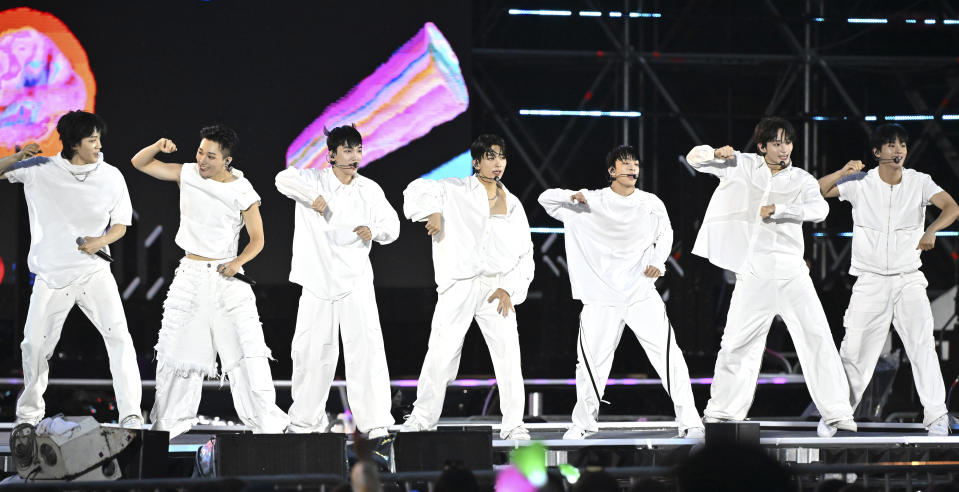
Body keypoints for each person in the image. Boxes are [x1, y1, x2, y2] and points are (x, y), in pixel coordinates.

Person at [686, 117, 856, 437]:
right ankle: (723, 412)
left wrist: (782, 209)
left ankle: (837, 413)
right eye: (776, 143)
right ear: (762, 146)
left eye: (787, 143)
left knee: (816, 338)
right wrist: (713, 152)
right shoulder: (742, 163)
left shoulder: (802, 179)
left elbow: (820, 210)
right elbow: (695, 159)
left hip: (792, 270)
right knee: (737, 342)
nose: (783, 149)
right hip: (754, 269)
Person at [131, 125, 288, 438]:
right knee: (177, 355)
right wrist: (157, 145)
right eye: (200, 151)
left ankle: (268, 428)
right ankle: (167, 430)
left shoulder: (243, 190)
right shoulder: (188, 173)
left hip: (227, 278)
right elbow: (140, 163)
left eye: (210, 156)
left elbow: (257, 239)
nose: (201, 159)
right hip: (190, 276)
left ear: (226, 160)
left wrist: (237, 263)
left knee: (246, 354)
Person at [537, 145, 704, 439]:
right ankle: (584, 423)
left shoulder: (650, 203)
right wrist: (570, 196)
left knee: (669, 356)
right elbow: (545, 199)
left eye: (635, 163)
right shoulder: (591, 201)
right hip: (600, 297)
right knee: (590, 362)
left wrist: (657, 262)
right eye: (625, 163)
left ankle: (690, 420)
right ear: (612, 171)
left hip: (640, 292)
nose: (632, 167)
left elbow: (665, 233)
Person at [2, 111, 142, 428]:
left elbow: (121, 224)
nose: (99, 145)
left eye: (99, 139)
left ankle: (130, 413)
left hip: (94, 273)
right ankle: (28, 416)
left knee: (120, 337)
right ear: (74, 143)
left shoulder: (111, 175)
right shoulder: (40, 169)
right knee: (33, 344)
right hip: (50, 276)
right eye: (92, 140)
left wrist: (101, 241)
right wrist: (16, 157)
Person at [818, 123, 959, 436]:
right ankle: (836, 414)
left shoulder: (919, 182)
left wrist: (932, 230)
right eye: (891, 146)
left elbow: (951, 206)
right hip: (870, 281)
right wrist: (842, 171)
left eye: (903, 146)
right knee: (855, 351)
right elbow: (818, 190)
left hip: (908, 278)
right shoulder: (860, 183)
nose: (898, 151)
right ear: (877, 152)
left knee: (922, 345)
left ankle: (936, 415)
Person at [400, 134, 534, 440]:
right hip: (459, 285)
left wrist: (509, 289)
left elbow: (526, 253)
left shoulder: (513, 204)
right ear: (476, 162)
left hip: (496, 287)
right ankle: (422, 418)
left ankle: (514, 424)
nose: (497, 163)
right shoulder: (454, 190)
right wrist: (432, 211)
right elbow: (415, 189)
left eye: (501, 157)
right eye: (490, 156)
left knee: (509, 356)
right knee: (440, 352)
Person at [275, 125, 398, 438]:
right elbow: (282, 179)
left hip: (356, 281)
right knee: (310, 353)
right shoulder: (313, 180)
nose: (354, 156)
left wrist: (376, 230)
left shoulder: (369, 189)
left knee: (366, 352)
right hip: (317, 283)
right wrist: (312, 196)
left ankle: (375, 425)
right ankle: (304, 423)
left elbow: (391, 224)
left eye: (357, 150)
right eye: (346, 150)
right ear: (330, 155)